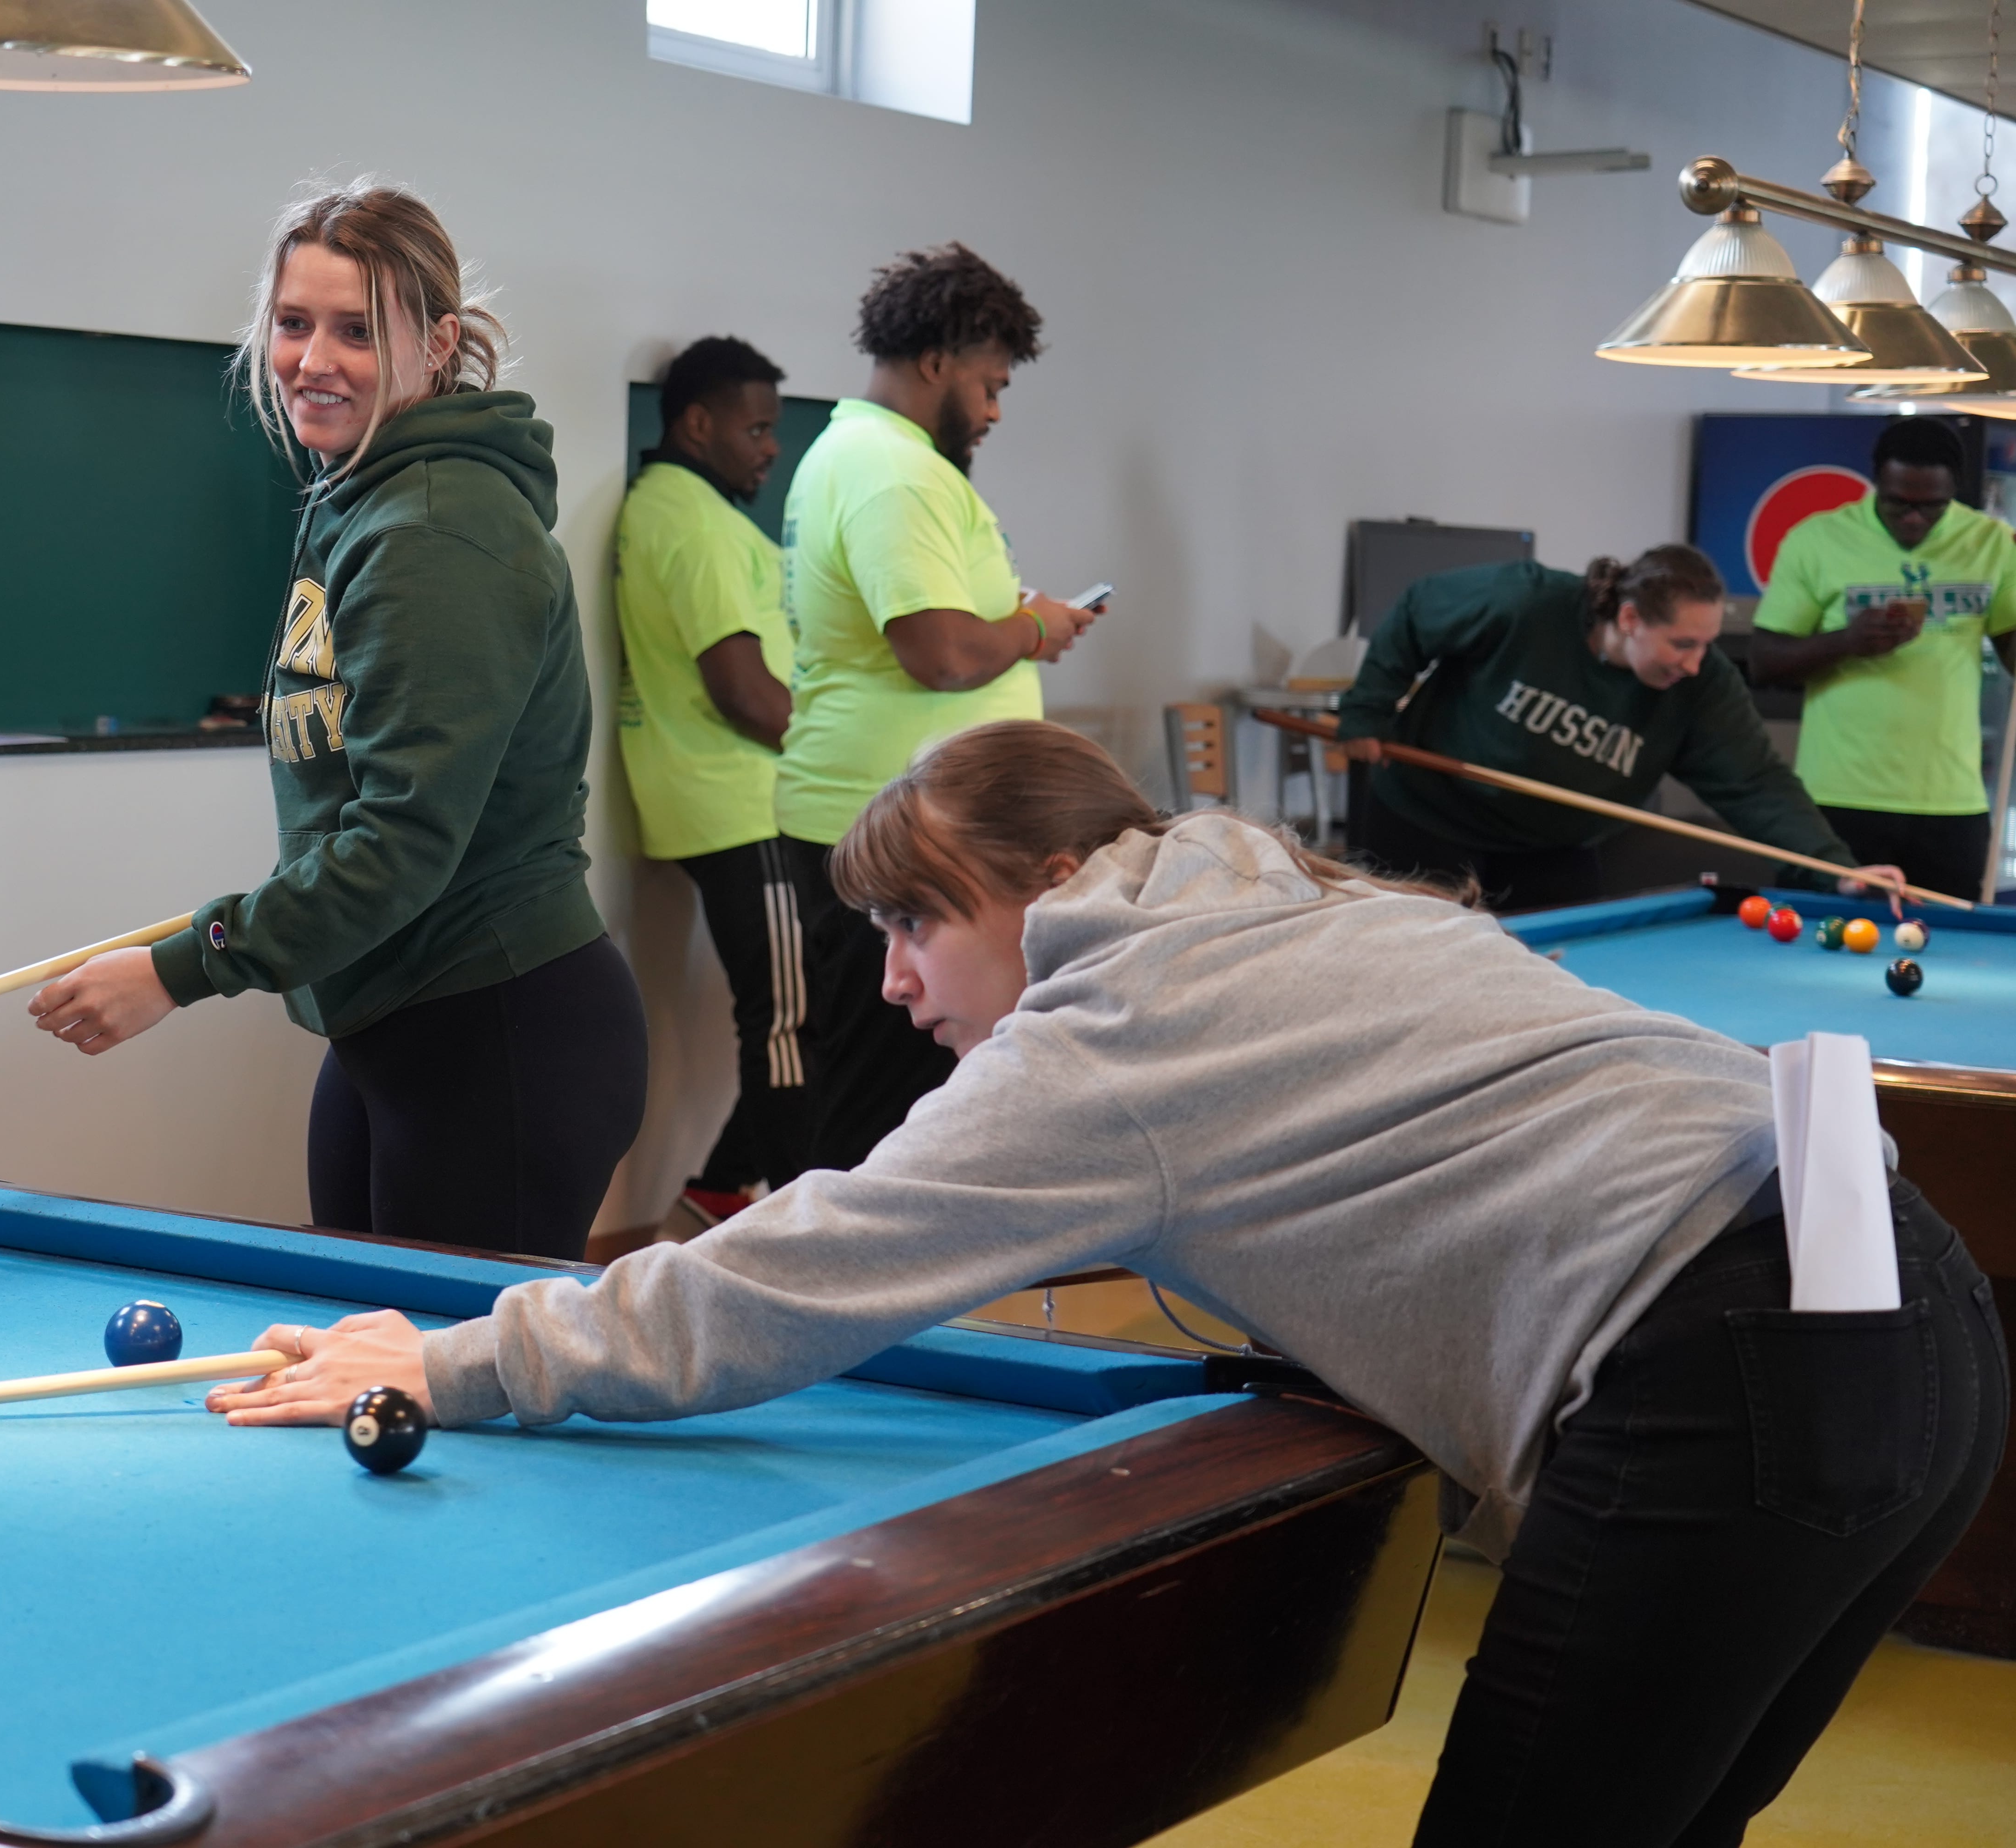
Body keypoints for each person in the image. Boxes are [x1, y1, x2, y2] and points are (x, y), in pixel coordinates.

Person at [209, 719, 2005, 1848]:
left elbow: (788, 1277)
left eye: (917, 923)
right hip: (1919, 1311)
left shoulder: (1115, 1031)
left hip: (1734, 1386)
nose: (899, 985)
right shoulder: (1303, 899)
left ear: (1053, 884)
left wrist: (458, 1358)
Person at [26, 183, 644, 1263]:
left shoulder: (440, 528)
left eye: (358, 330)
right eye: (295, 322)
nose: (314, 358)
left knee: (433, 1400)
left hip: (498, 1023)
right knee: (357, 1358)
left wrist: (184, 964)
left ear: (437, 342)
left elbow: (402, 842)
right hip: (392, 1016)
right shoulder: (362, 498)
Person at [773, 242, 1100, 1170]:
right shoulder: (896, 471)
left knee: (886, 1092)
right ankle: (846, 1299)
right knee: (887, 1111)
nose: (994, 410)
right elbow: (943, 650)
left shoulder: (857, 452)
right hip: (893, 828)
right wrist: (1034, 629)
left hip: (884, 816)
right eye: (990, 384)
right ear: (937, 362)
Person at [1340, 544, 1904, 913]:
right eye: (1682, 643)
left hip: (1550, 846)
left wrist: (1834, 868)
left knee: (1556, 986)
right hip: (1427, 818)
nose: (1694, 661)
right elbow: (1417, 613)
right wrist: (1368, 709)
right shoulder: (1525, 602)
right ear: (1630, 619)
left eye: (1706, 644)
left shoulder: (1699, 686)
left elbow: (1756, 783)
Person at [616, 335, 814, 1222]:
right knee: (789, 1026)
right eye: (758, 429)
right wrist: (843, 757)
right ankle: (801, 1227)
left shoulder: (664, 504)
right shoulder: (696, 524)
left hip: (712, 800)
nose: (771, 448)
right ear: (698, 424)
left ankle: (717, 1192)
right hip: (744, 804)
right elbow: (745, 692)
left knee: (799, 1021)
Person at [1750, 417, 2016, 900]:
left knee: (1947, 957)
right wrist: (1845, 641)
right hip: (1833, 801)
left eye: (1931, 506)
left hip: (1952, 804)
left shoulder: (1991, 543)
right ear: (1876, 482)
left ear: (1954, 490)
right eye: (1898, 503)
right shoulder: (1817, 539)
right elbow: (1765, 660)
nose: (1914, 518)